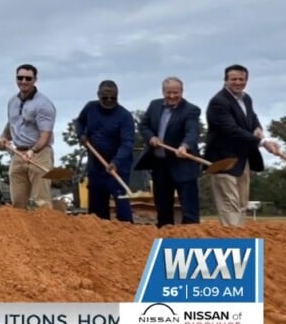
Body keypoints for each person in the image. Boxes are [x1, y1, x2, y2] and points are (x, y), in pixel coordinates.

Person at [205, 64, 282, 227]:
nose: (238, 82)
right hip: (223, 161)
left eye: (242, 79)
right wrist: (262, 142)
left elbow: (252, 117)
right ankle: (232, 238)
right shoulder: (218, 102)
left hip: (243, 159)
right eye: (234, 79)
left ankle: (240, 235)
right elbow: (231, 129)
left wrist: (257, 128)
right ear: (225, 80)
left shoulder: (246, 98)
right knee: (229, 203)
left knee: (241, 203)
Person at [134, 77, 202, 227]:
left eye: (175, 93)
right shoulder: (154, 105)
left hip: (183, 166)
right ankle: (165, 234)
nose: (172, 96)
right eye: (168, 92)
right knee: (163, 208)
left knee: (189, 210)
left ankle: (190, 236)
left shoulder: (191, 110)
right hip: (160, 165)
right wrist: (151, 137)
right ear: (163, 92)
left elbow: (192, 132)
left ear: (182, 92)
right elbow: (144, 126)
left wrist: (184, 146)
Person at [0, 64, 57, 210]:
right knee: (17, 203)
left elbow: (45, 135)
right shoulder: (12, 102)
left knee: (41, 201)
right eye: (20, 78)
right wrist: (4, 137)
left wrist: (33, 151)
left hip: (39, 154)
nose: (23, 81)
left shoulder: (44, 104)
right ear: (16, 79)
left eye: (28, 78)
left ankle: (47, 223)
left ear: (35, 80)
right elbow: (12, 123)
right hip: (18, 154)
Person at [75, 80, 135, 223]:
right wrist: (81, 135)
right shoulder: (90, 108)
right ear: (98, 95)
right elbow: (79, 122)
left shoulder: (125, 116)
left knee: (122, 208)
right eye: (105, 97)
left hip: (118, 168)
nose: (109, 100)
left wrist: (116, 162)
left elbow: (127, 143)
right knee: (97, 212)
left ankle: (126, 232)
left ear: (117, 96)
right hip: (96, 166)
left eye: (112, 97)